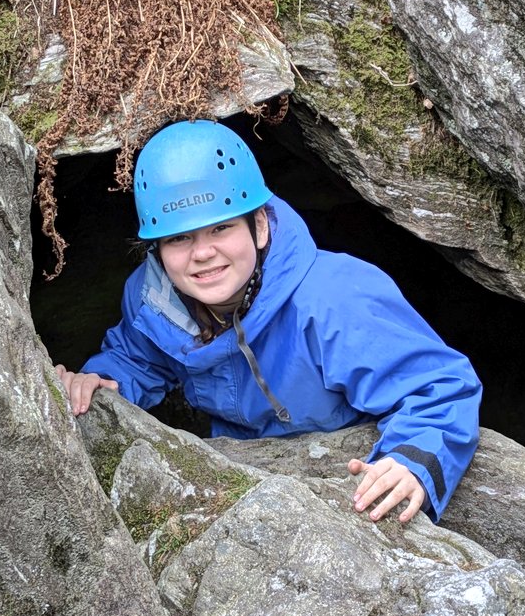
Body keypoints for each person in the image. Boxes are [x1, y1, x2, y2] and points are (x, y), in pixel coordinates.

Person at [55, 120, 481, 524]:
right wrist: (100, 382)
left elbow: (440, 387)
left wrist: (411, 461)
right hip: (237, 481)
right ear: (158, 250)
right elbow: (137, 358)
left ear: (259, 226)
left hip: (343, 471)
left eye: (220, 228)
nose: (202, 253)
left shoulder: (333, 298)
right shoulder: (156, 301)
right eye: (179, 237)